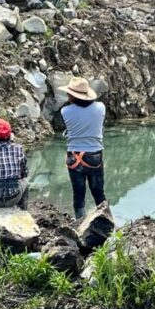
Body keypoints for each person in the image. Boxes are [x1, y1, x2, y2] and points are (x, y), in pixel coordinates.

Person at [60, 77, 106, 218]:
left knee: (78, 194)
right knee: (98, 193)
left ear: (73, 96)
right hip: (94, 156)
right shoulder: (100, 107)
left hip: (74, 156)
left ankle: (80, 223)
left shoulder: (65, 111)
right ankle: (107, 222)